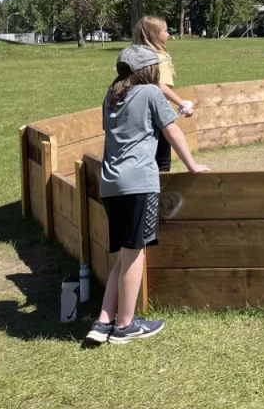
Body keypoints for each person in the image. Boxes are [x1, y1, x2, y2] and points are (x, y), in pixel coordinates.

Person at [86, 44, 210, 345]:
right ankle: (126, 326)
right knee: (135, 253)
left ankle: (104, 321)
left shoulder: (111, 94)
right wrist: (192, 165)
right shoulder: (151, 93)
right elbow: (173, 131)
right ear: (149, 70)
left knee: (125, 253)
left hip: (110, 185)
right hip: (138, 183)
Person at [131, 16, 194, 172]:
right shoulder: (161, 58)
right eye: (165, 31)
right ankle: (160, 195)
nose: (168, 34)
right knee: (162, 162)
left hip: (134, 113)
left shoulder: (134, 55)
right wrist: (182, 104)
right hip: (156, 112)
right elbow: (161, 86)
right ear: (154, 35)